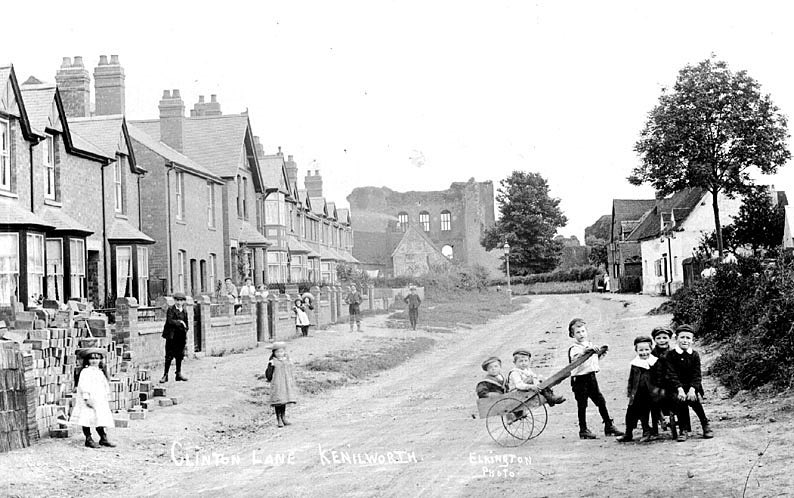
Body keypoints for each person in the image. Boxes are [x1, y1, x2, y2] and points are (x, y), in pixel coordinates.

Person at [568, 318, 624, 439]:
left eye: (583, 331)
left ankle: (608, 425)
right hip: (579, 380)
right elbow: (577, 358)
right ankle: (583, 429)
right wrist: (586, 351)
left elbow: (592, 362)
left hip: (591, 377)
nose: (581, 334)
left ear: (587, 332)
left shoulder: (591, 345)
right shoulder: (574, 348)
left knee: (601, 401)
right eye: (577, 332)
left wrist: (601, 354)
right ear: (572, 335)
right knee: (582, 405)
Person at [666, 324, 713, 441]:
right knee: (680, 400)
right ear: (676, 338)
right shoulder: (671, 355)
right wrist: (679, 389)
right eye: (682, 337)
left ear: (692, 340)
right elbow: (671, 374)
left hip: (691, 386)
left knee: (694, 400)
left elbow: (697, 374)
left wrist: (693, 389)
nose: (685, 340)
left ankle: (705, 423)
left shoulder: (694, 355)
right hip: (676, 387)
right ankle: (683, 428)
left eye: (688, 338)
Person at [69, 348, 116, 448]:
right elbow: (83, 385)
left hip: (99, 398)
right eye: (91, 358)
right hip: (89, 398)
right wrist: (86, 398)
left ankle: (103, 438)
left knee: (100, 418)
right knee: (87, 417)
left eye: (97, 358)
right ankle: (88, 439)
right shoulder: (86, 372)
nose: (94, 361)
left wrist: (107, 396)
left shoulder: (100, 372)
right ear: (87, 360)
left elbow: (105, 385)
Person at [616, 336, 657, 443]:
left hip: (651, 394)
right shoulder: (635, 363)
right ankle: (628, 433)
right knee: (630, 411)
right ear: (636, 350)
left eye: (647, 349)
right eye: (641, 350)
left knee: (643, 411)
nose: (644, 353)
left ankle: (646, 431)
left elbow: (659, 378)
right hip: (637, 393)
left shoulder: (654, 362)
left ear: (651, 349)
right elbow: (631, 379)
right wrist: (630, 392)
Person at [649, 326, 675, 438]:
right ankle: (655, 428)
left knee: (674, 398)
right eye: (658, 338)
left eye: (665, 337)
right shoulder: (651, 354)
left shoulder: (673, 353)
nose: (662, 340)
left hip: (671, 383)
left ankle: (683, 425)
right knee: (653, 400)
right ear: (654, 340)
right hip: (656, 384)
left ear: (670, 338)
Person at [265, 342, 298, 428]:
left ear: (284, 352)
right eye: (277, 352)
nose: (279, 354)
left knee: (283, 401)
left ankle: (283, 417)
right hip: (277, 384)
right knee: (278, 401)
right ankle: (278, 419)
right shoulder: (273, 362)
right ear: (274, 353)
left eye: (281, 352)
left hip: (285, 383)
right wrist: (270, 372)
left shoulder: (287, 361)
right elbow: (268, 375)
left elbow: (290, 371)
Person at [160, 292, 189, 383]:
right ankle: (165, 375)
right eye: (177, 300)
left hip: (180, 337)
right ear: (175, 301)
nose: (179, 302)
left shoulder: (184, 311)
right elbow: (170, 321)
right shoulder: (171, 310)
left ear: (183, 302)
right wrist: (180, 322)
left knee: (179, 355)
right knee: (168, 356)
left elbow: (187, 324)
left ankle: (178, 374)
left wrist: (185, 330)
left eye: (181, 301)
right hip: (171, 336)